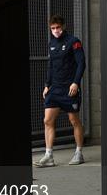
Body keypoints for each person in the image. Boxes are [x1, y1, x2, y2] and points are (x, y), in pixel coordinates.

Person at [34, 15, 86, 167]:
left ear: (63, 26)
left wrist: (76, 83)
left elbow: (81, 63)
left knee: (74, 121)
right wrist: (47, 85)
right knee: (47, 120)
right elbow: (51, 66)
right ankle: (49, 156)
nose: (56, 31)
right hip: (54, 89)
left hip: (69, 89)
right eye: (53, 28)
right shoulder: (51, 43)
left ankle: (79, 152)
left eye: (58, 27)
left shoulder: (73, 42)